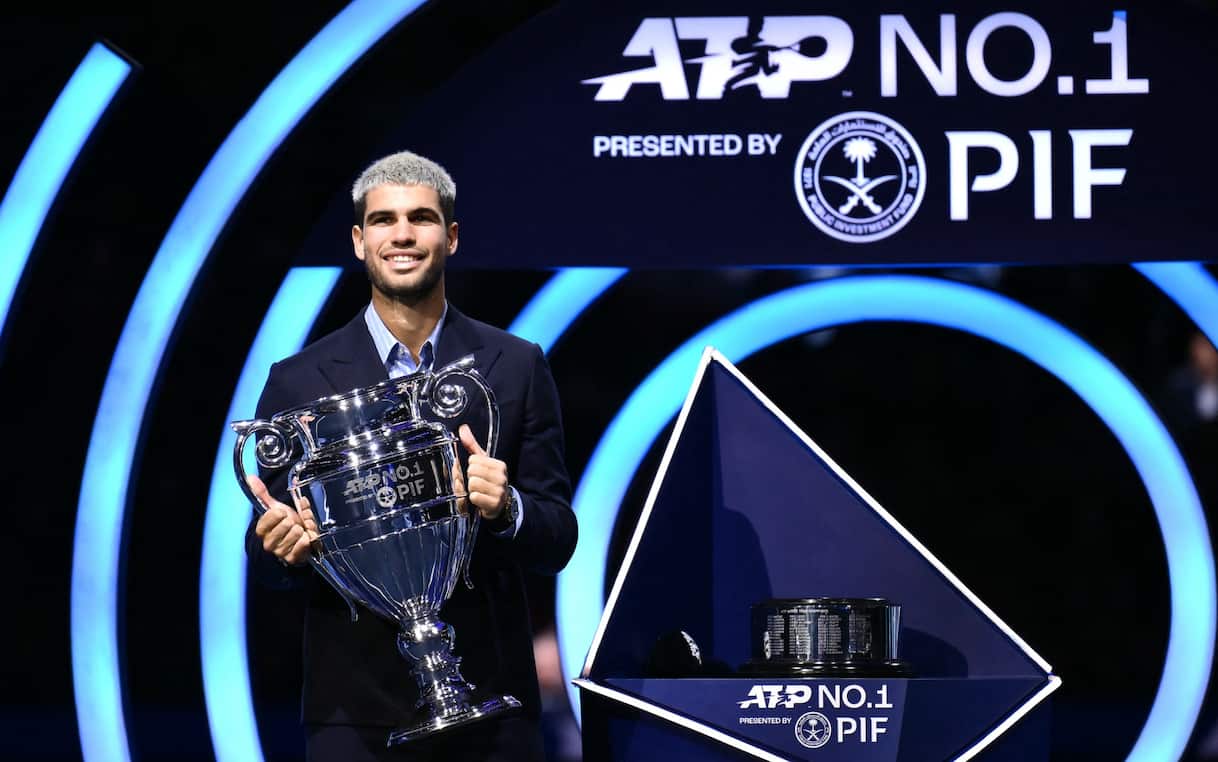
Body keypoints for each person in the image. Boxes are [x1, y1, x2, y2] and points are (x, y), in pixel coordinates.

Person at [243, 150, 578, 761]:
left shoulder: (516, 365)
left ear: (449, 237)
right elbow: (266, 562)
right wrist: (277, 546)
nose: (402, 234)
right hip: (355, 715)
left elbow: (557, 538)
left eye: (420, 218)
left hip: (493, 704)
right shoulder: (298, 381)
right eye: (383, 220)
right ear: (357, 240)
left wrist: (507, 508)